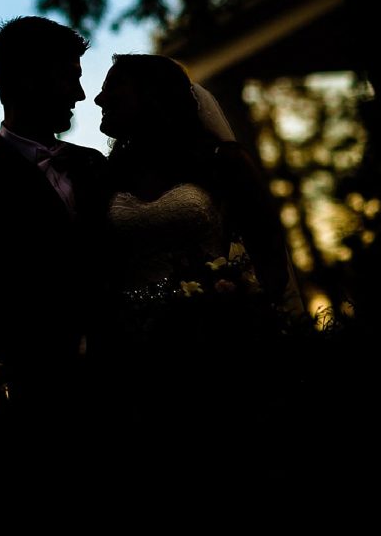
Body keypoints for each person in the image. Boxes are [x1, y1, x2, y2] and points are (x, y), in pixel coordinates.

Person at [92, 53, 305, 487]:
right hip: (139, 363)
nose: (98, 98)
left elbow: (270, 259)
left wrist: (245, 321)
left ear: (152, 96)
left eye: (114, 88)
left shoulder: (221, 163)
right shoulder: (105, 177)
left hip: (225, 350)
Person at [0, 16, 108, 482]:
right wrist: (53, 354)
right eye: (69, 77)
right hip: (50, 414)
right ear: (27, 81)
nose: (79, 94)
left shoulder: (94, 166)